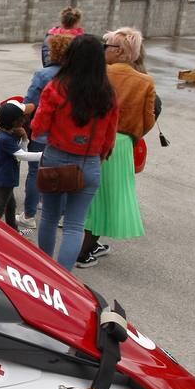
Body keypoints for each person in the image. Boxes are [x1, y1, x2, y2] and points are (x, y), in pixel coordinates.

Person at [30, 34, 119, 271]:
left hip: (56, 157)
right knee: (74, 225)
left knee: (49, 217)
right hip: (88, 163)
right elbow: (110, 138)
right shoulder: (108, 94)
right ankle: (64, 277)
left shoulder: (56, 87)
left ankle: (44, 270)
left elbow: (38, 127)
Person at [79, 28, 155, 268]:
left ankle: (83, 248)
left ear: (119, 51)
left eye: (107, 46)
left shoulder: (99, 74)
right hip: (122, 144)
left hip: (94, 137)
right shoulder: (144, 81)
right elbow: (148, 119)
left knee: (93, 197)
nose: (103, 51)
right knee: (107, 199)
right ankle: (84, 251)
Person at [20, 31, 74, 228]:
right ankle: (62, 215)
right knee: (64, 173)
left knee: (35, 172)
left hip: (42, 132)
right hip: (67, 135)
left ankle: (29, 215)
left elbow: (30, 103)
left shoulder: (44, 75)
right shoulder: (77, 76)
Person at [0, 103, 40, 230]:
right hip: (4, 178)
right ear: (14, 121)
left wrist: (24, 139)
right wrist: (43, 155)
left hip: (8, 176)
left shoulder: (10, 134)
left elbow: (22, 150)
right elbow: (22, 155)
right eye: (22, 117)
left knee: (10, 206)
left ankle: (13, 230)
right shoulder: (5, 138)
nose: (25, 119)